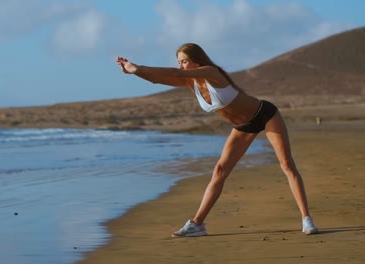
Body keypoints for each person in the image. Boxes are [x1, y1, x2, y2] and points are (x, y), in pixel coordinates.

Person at [116, 43, 319, 237]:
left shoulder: (212, 72)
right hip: (242, 127)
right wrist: (134, 71)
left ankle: (306, 219)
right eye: (178, 62)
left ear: (197, 61)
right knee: (220, 170)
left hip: (264, 115)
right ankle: (197, 224)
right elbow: (156, 79)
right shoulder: (190, 82)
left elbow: (174, 73)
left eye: (184, 61)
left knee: (286, 164)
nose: (180, 66)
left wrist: (138, 66)